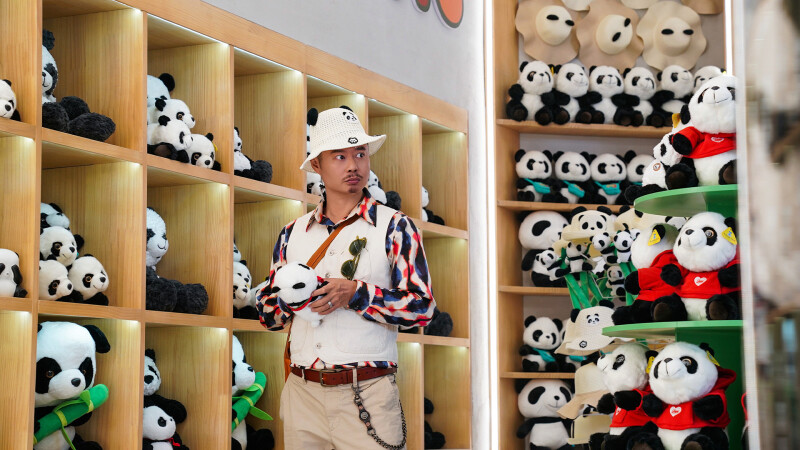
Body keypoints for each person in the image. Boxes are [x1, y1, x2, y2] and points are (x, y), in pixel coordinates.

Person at [256, 106, 436, 449]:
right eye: (339, 156)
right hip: (301, 393)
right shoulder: (292, 233)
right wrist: (293, 297)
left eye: (360, 154)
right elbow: (267, 316)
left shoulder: (395, 225)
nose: (353, 165)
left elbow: (422, 308)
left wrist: (356, 293)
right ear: (316, 165)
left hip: (368, 392)